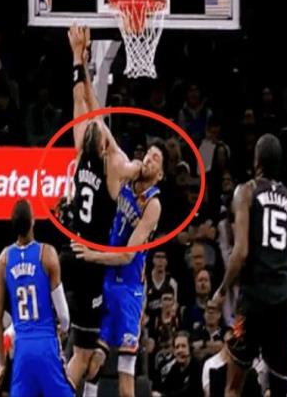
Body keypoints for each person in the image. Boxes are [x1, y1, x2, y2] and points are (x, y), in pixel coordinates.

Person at [64, 24, 142, 391]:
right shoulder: (115, 169)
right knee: (82, 357)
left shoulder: (80, 151)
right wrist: (143, 166)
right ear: (105, 145)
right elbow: (138, 170)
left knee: (92, 354)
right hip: (90, 266)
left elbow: (79, 102)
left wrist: (76, 58)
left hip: (73, 253)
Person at [213, 133, 287, 397]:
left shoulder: (247, 191)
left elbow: (240, 251)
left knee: (233, 385)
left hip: (253, 299)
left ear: (257, 161)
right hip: (282, 299)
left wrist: (222, 291)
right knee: (279, 387)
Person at [73, 141, 166, 397]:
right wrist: (95, 116)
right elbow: (111, 147)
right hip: (107, 280)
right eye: (148, 153)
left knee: (126, 383)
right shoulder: (126, 177)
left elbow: (127, 255)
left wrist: (92, 255)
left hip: (128, 289)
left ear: (160, 174)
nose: (148, 158)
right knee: (93, 363)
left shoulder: (153, 204)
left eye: (155, 158)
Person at [0, 199, 74, 396]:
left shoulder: (4, 258)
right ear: (33, 221)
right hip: (46, 344)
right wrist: (63, 330)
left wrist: (1, 363)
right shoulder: (47, 253)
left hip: (22, 349)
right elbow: (64, 316)